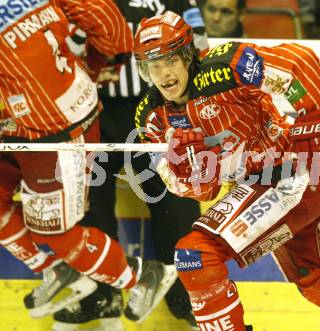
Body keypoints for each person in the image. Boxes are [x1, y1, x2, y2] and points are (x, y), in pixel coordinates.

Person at [133, 11, 320, 331]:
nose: (164, 74)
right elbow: (200, 191)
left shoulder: (224, 67)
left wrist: (315, 125)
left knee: (195, 255)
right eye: (153, 65)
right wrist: (185, 166)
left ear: (188, 55)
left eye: (170, 61)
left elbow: (299, 63)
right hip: (263, 188)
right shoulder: (151, 117)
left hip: (290, 175)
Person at [0, 0, 176, 325]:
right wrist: (104, 62)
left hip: (56, 129)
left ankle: (143, 274)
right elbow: (107, 18)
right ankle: (57, 269)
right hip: (36, 117)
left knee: (57, 231)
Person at [51, 1, 209, 330]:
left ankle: (191, 298)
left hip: (157, 109)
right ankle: (101, 295)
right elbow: (60, 47)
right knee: (89, 202)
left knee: (177, 195)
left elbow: (201, 47)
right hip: (92, 109)